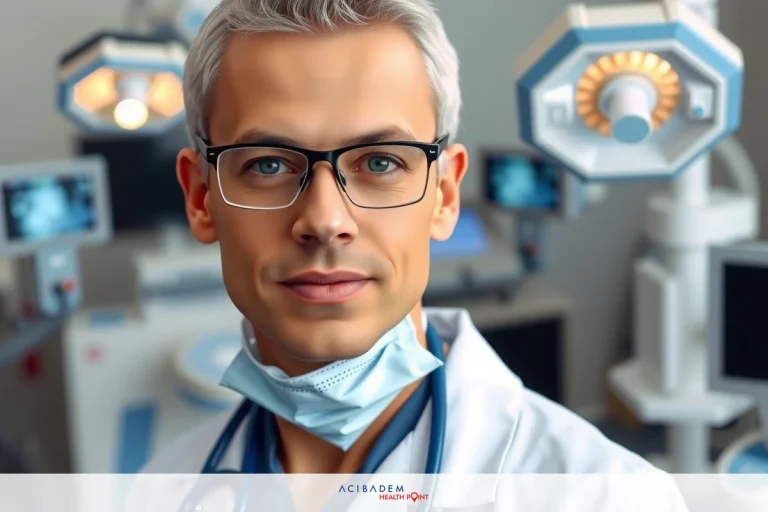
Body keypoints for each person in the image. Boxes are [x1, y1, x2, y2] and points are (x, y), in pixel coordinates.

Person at [143, 0, 658, 482]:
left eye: (381, 162)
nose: (325, 221)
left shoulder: (608, 495)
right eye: (268, 164)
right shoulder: (156, 491)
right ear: (199, 197)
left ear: (445, 195)